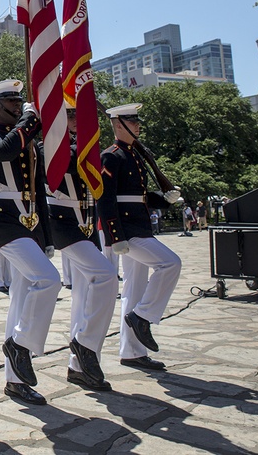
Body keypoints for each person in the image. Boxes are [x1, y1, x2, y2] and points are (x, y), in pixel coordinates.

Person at [0, 78, 60, 406]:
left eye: (19, 101)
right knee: (49, 280)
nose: (18, 106)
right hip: (5, 222)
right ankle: (19, 345)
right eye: (11, 102)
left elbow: (38, 192)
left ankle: (15, 379)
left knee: (21, 302)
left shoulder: (29, 143)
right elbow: (6, 150)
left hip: (31, 223)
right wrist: (30, 121)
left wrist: (47, 237)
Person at [97, 103, 182, 372]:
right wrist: (114, 235)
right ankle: (143, 316)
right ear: (119, 125)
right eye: (132, 122)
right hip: (126, 231)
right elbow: (106, 199)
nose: (138, 125)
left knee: (134, 289)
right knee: (170, 263)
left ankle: (132, 351)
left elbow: (140, 197)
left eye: (137, 121)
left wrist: (164, 200)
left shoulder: (134, 155)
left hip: (139, 225)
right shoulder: (111, 156)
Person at [45, 104, 117, 392]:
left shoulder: (85, 145)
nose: (76, 119)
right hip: (62, 221)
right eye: (70, 114)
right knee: (106, 276)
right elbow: (72, 164)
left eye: (78, 113)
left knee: (86, 293)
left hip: (86, 221)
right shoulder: (50, 146)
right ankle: (84, 343)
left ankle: (79, 366)